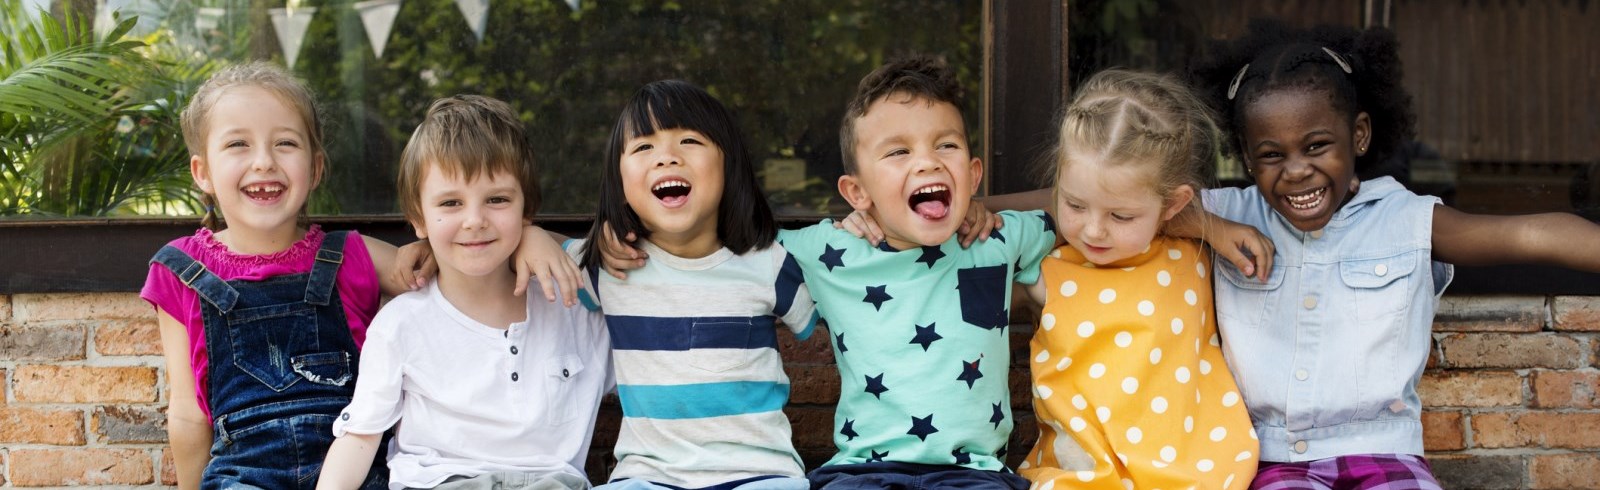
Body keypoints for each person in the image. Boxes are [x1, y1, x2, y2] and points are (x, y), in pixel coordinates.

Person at [1189, 20, 1600, 488]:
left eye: (1317, 146)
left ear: (1359, 135)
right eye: (1270, 155)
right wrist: (1212, 228)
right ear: (1245, 156)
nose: (1296, 170)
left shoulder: (1403, 218)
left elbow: (1530, 236)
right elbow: (1131, 205)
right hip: (1272, 459)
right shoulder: (1228, 212)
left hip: (1383, 452)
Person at [315, 95, 610, 490]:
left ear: (526, 211)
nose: (475, 220)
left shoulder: (574, 302)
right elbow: (360, 437)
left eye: (497, 200)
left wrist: (542, 239)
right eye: (451, 203)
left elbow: (638, 262)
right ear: (419, 218)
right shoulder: (403, 323)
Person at [143, 61, 405, 489]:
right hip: (243, 478)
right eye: (238, 144)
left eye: (285, 143)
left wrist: (530, 241)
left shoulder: (354, 256)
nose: (263, 162)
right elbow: (189, 413)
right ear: (202, 172)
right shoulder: (181, 270)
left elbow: (452, 263)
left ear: (316, 167)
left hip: (354, 473)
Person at [1010, 69, 1257, 489]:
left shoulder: (1196, 256)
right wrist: (970, 209)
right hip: (1081, 478)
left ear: (1173, 203)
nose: (1092, 230)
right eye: (1074, 204)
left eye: (1120, 216)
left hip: (1196, 476)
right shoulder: (1047, 268)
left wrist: (1209, 227)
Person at [569, 80, 820, 490]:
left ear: (728, 164)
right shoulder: (603, 266)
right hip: (646, 477)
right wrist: (432, 250)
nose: (666, 157)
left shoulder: (770, 262)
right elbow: (511, 249)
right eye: (643, 147)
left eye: (688, 140)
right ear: (619, 179)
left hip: (761, 473)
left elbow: (854, 291)